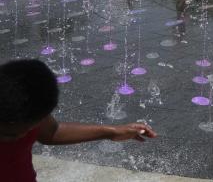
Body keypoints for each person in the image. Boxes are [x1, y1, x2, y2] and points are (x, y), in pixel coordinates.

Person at [0, 59, 157, 182]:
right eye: (9, 135)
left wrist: (111, 132)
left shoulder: (26, 106)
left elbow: (52, 132)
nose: (20, 137)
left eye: (29, 129)